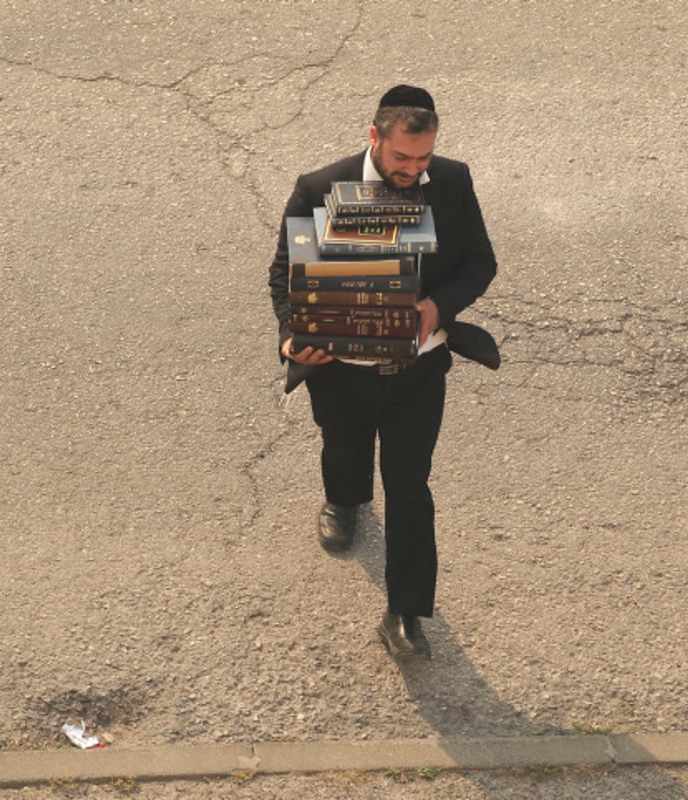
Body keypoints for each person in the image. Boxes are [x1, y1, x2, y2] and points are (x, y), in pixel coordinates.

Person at [268, 85, 497, 659]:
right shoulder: (320, 187)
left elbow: (480, 262)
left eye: (424, 159)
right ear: (375, 138)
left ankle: (405, 614)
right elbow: (283, 274)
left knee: (410, 488)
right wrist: (293, 339)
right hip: (340, 368)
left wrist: (436, 307)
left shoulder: (451, 180)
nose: (415, 170)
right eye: (403, 159)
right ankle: (344, 500)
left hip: (417, 371)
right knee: (343, 448)